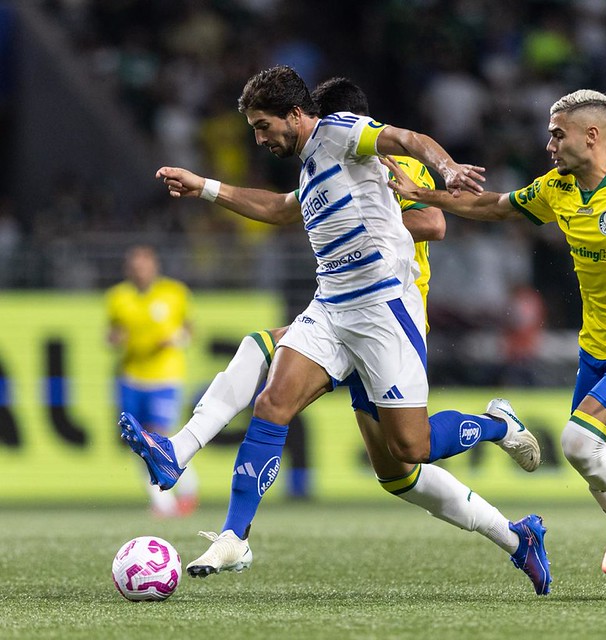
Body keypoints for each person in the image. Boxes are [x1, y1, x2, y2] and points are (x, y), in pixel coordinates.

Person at [120, 69, 551, 595]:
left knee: (410, 451)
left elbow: (411, 147)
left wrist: (446, 168)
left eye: (262, 126)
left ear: (298, 115)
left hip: (384, 312)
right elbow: (281, 209)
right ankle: (233, 532)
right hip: (331, 309)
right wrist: (205, 187)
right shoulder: (310, 168)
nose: (258, 139)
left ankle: (498, 427)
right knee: (272, 402)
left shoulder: (341, 132)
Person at [383, 89, 606, 602]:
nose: (549, 145)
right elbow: (493, 206)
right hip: (598, 347)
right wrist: (425, 195)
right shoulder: (557, 189)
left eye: (557, 134)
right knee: (596, 473)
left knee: (577, 443)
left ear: (591, 135)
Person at [106, 244, 199, 517]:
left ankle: (188, 490)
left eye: (144, 266)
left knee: (158, 436)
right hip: (131, 377)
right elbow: (112, 333)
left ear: (154, 266)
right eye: (135, 267)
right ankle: (163, 503)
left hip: (164, 377)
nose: (140, 272)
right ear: (128, 270)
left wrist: (175, 339)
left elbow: (189, 330)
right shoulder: (118, 297)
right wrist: (114, 339)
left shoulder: (174, 293)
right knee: (137, 440)